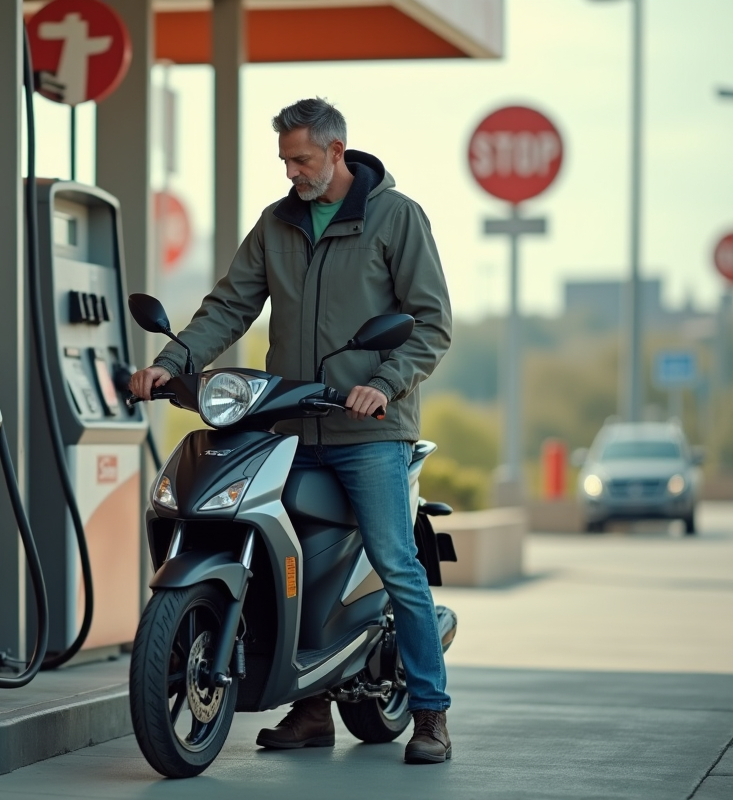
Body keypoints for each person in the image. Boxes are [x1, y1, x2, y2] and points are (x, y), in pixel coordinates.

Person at [127, 98, 453, 764]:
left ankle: (430, 714)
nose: (291, 172)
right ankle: (310, 707)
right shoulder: (277, 223)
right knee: (291, 565)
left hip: (368, 432)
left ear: (336, 151)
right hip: (289, 428)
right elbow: (230, 306)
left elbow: (431, 323)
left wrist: (383, 383)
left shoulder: (395, 217)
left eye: (301, 159)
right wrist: (172, 363)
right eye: (284, 160)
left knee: (397, 563)